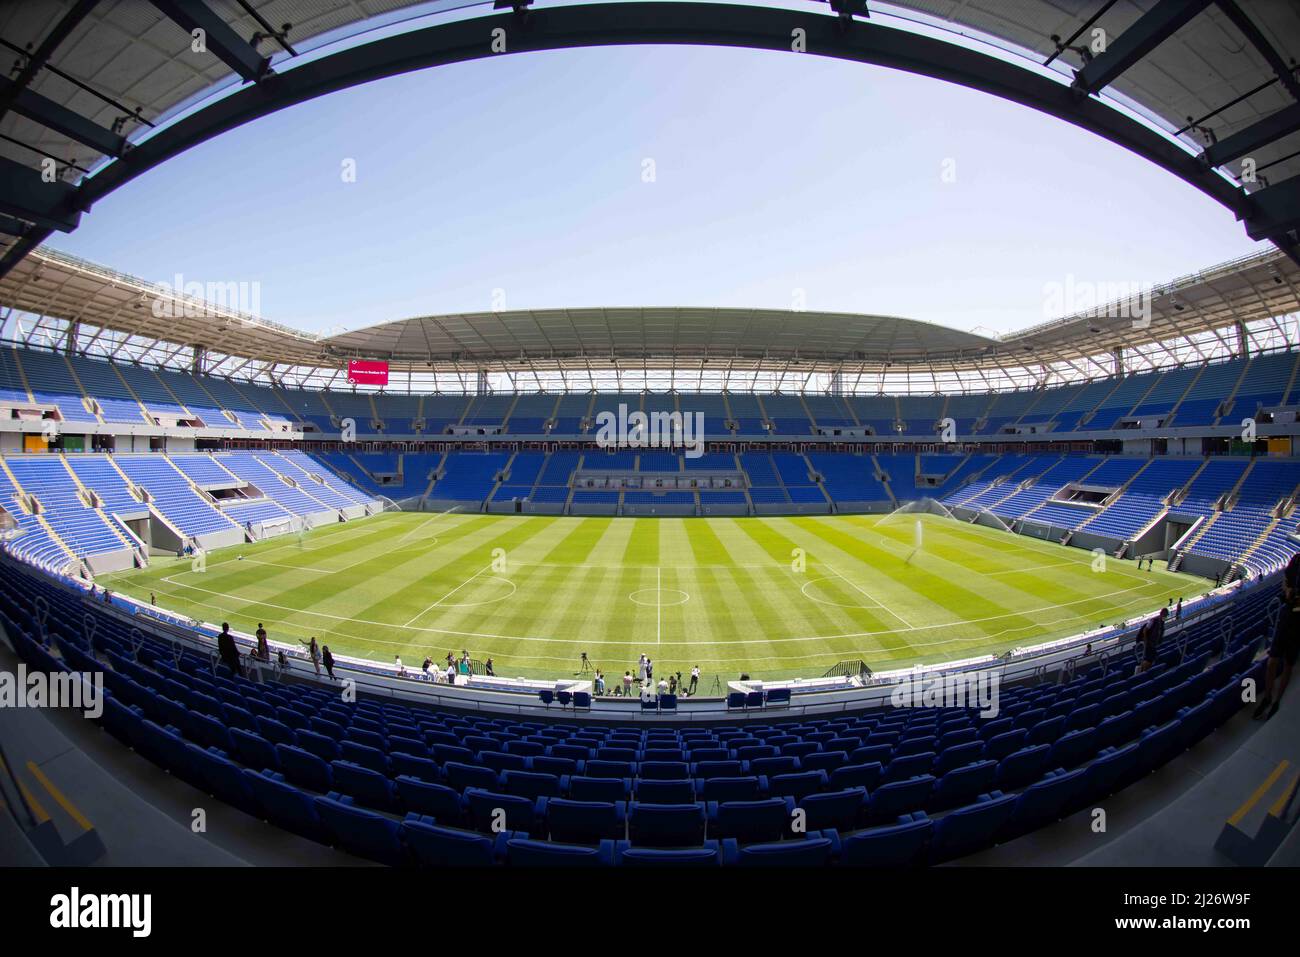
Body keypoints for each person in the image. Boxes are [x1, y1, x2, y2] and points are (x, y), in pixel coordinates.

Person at [1254, 553, 1300, 721]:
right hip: (1287, 616)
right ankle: (1267, 697)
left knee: (1288, 664)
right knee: (1272, 660)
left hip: (1298, 624)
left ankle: (1277, 701)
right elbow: (1285, 580)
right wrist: (1287, 591)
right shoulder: (1296, 560)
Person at [1138, 608, 1167, 674]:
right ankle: (1142, 673)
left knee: (1150, 659)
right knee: (1148, 659)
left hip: (1154, 643)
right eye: (1165, 615)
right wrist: (1146, 641)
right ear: (1162, 614)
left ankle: (1144, 672)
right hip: (1149, 643)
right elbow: (1145, 630)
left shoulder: (1162, 622)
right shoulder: (1154, 620)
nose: (1166, 616)